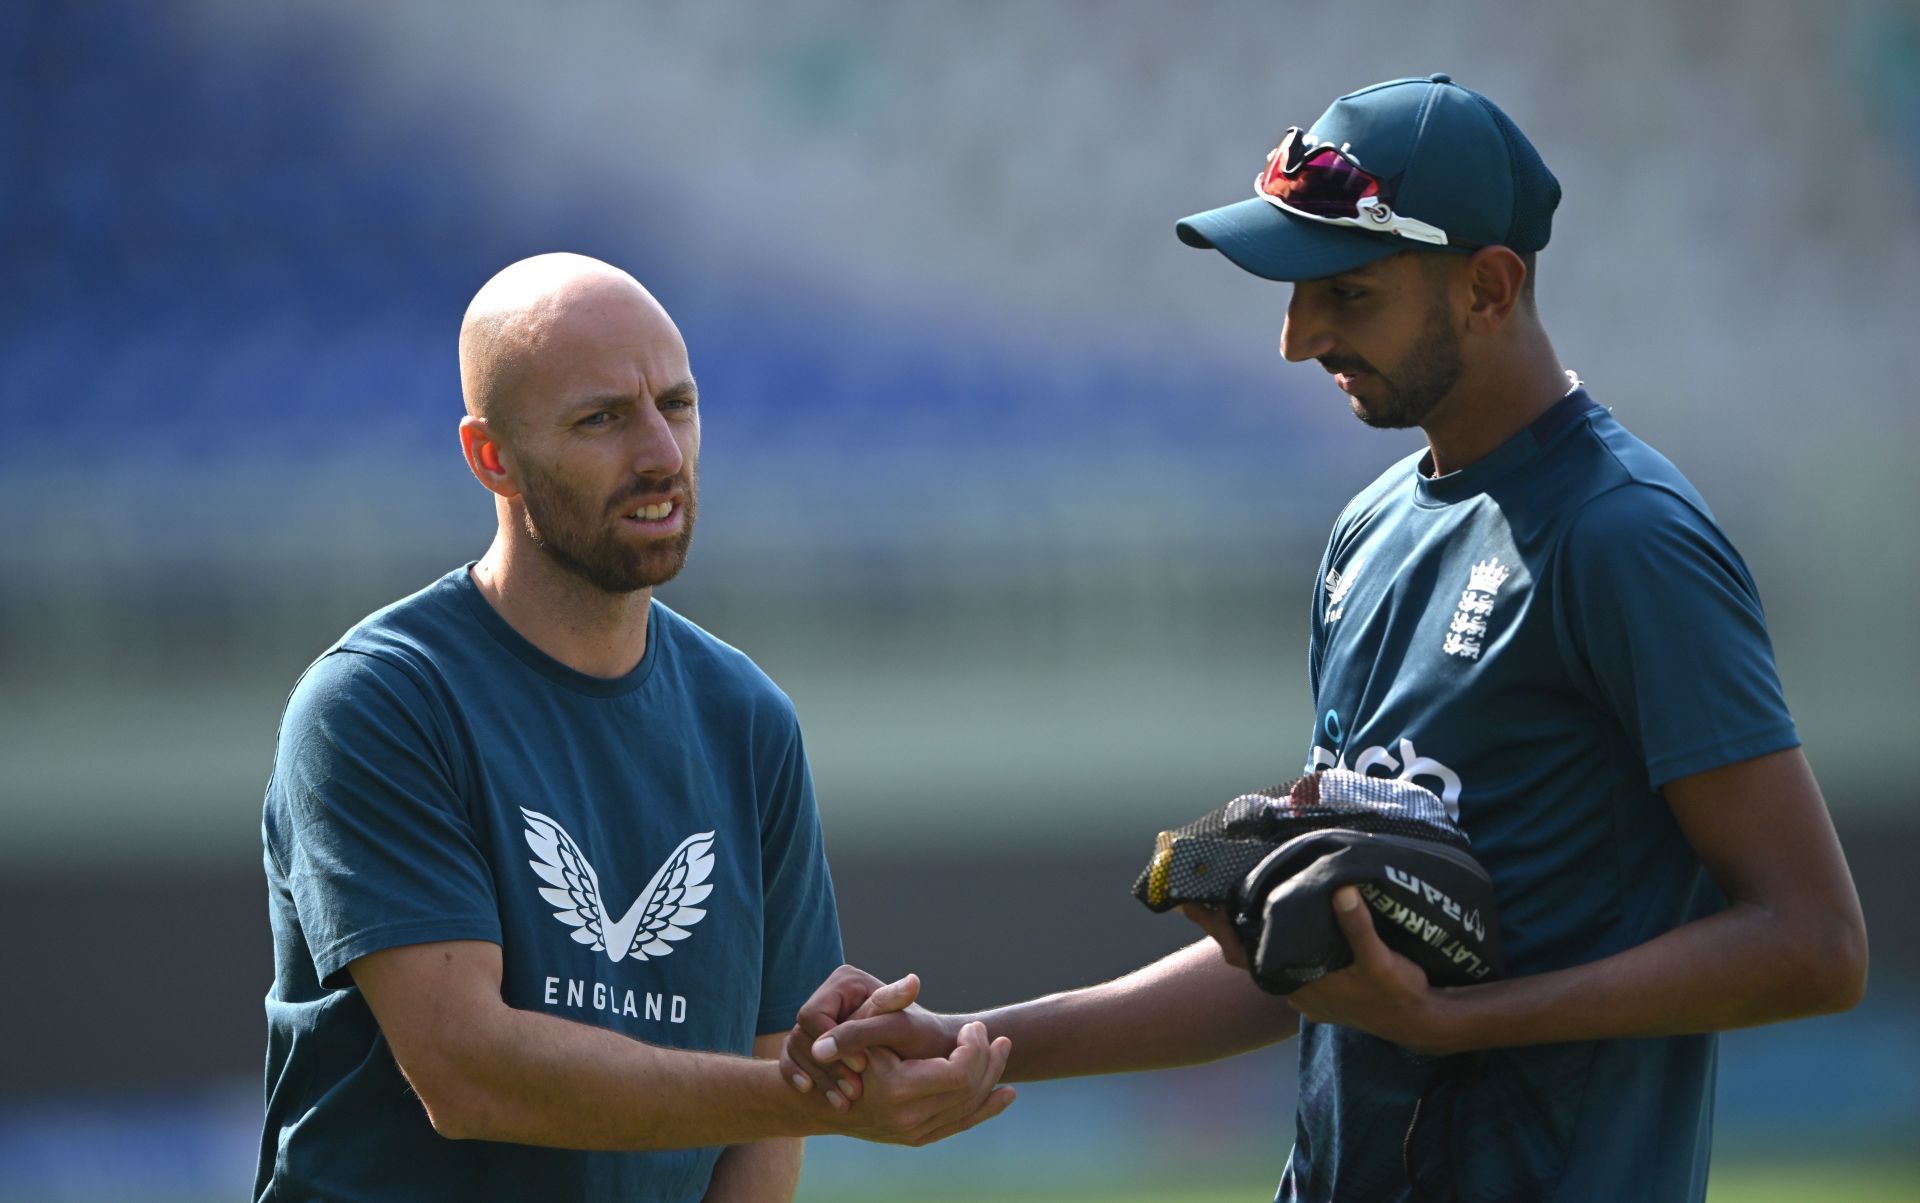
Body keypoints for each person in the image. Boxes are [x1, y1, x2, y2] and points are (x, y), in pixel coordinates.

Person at [781, 75, 1869, 1202]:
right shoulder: (1370, 531)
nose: (1300, 339)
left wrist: (1465, 1024)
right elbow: (1307, 975)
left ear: (1490, 287)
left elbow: (1813, 943)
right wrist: (974, 1037)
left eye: (1346, 293)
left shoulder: (1626, 539)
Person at [256, 253, 1014, 1203]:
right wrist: (817, 1102)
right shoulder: (380, 701)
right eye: (601, 418)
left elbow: (767, 1119)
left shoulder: (747, 719)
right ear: (493, 457)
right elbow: (467, 1070)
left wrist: (803, 1098)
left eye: (678, 405)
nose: (661, 453)